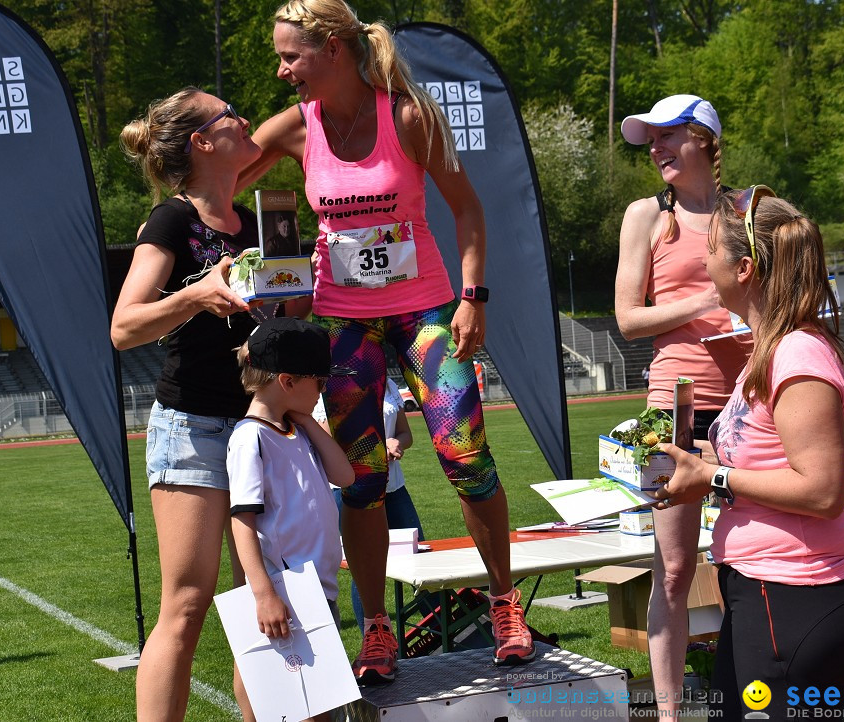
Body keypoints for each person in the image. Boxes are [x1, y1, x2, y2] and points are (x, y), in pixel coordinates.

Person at [241, 0, 534, 683]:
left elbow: (466, 208)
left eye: (292, 56)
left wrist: (472, 297)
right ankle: (377, 628)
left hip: (427, 312)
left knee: (466, 456)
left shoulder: (407, 116)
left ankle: (503, 601)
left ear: (334, 50)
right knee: (361, 478)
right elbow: (226, 181)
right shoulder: (295, 126)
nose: (284, 72)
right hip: (343, 324)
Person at [653, 187, 844, 718]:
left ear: (745, 268)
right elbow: (762, 453)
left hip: (797, 593)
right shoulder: (769, 349)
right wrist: (681, 454)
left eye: (709, 249)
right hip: (768, 591)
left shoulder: (796, 353)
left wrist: (712, 479)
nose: (702, 261)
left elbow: (823, 490)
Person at [113, 87, 267, 722]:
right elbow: (125, 326)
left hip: (259, 426)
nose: (247, 118)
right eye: (233, 113)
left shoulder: (256, 221)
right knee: (186, 603)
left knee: (260, 595)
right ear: (203, 141)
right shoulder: (170, 221)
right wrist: (198, 294)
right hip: (193, 427)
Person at [614, 94, 751, 716]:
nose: (657, 150)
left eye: (669, 137)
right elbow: (627, 318)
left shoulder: (751, 213)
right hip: (676, 411)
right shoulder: (646, 216)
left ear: (706, 141)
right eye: (651, 142)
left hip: (753, 401)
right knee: (672, 569)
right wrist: (704, 304)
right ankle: (669, 713)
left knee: (751, 560)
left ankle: (748, 695)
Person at [227, 317, 356, 721]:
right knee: (294, 706)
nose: (322, 392)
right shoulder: (251, 439)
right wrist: (264, 594)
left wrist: (305, 421)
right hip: (288, 595)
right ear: (287, 381)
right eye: (319, 382)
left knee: (319, 708)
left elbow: (345, 475)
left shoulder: (295, 430)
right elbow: (242, 521)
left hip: (318, 591)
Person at [313, 376, 427, 622]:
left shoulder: (388, 383)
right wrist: (376, 446)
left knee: (421, 558)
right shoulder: (331, 385)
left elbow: (405, 434)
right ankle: (372, 639)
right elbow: (328, 445)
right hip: (353, 491)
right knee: (365, 568)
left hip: (394, 488)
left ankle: (445, 631)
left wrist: (397, 443)